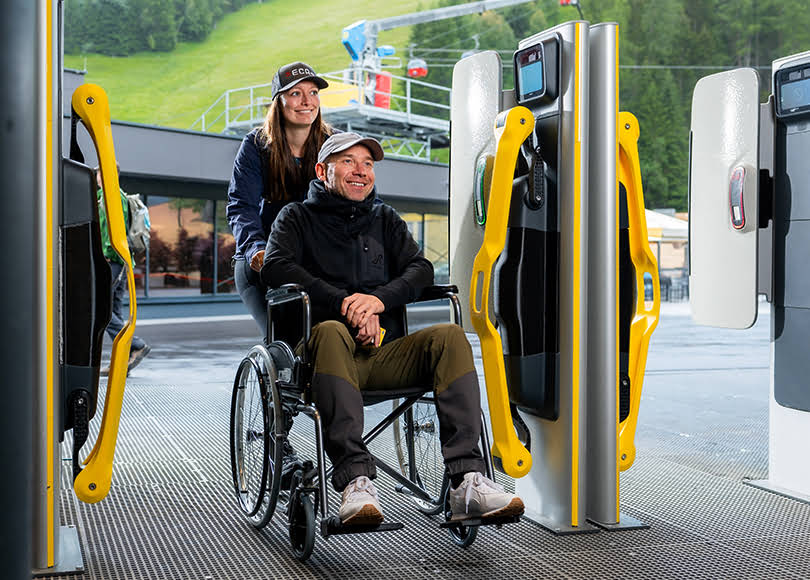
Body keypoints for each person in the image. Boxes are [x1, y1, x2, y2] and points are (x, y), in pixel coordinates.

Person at [262, 132, 525, 525]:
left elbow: (419, 269)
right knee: (333, 329)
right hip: (322, 358)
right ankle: (356, 482)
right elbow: (275, 266)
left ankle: (466, 480)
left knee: (450, 337)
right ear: (322, 170)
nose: (361, 171)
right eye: (348, 162)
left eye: (367, 164)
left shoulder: (384, 218)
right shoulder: (296, 218)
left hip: (382, 354)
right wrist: (345, 303)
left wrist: (378, 301)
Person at [227, 61, 334, 334]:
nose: (306, 101)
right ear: (279, 101)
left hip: (317, 260)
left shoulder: (334, 143)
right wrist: (255, 248)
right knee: (284, 340)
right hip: (266, 260)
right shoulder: (256, 145)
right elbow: (241, 206)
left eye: (313, 92)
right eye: (295, 93)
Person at [96, 166, 151, 375]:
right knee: (115, 310)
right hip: (121, 261)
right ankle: (122, 361)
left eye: (100, 173)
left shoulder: (112, 196)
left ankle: (135, 344)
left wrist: (109, 253)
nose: (98, 177)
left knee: (103, 310)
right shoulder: (110, 195)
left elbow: (111, 229)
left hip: (113, 260)